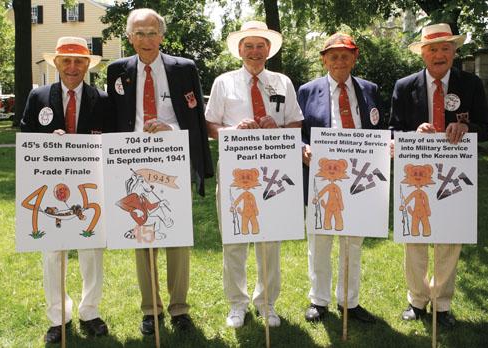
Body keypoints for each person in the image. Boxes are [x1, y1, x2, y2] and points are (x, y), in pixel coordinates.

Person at [106, 8, 213, 334]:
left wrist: (196, 162)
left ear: (162, 36)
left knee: (177, 237)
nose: (146, 39)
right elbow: (113, 119)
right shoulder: (116, 71)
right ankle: (150, 310)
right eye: (139, 33)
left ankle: (179, 308)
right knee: (143, 235)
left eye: (152, 32)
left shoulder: (184, 69)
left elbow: (196, 118)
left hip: (173, 159)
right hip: (134, 163)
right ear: (129, 37)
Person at [389, 23, 488, 328]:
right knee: (416, 237)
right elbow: (393, 130)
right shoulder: (404, 86)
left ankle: (442, 303)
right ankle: (417, 301)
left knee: (450, 238)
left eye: (445, 48)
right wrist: (412, 132)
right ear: (422, 54)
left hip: (454, 176)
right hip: (417, 174)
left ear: (454, 52)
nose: (438, 54)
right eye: (432, 49)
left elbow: (486, 128)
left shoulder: (471, 84)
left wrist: (467, 128)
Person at [205, 20, 303, 328]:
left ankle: (267, 302)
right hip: (236, 170)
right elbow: (210, 127)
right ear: (239, 50)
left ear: (269, 50)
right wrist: (234, 130)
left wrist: (280, 127)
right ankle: (237, 303)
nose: (255, 51)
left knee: (269, 237)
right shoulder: (223, 82)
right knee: (235, 237)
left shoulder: (283, 82)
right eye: (249, 45)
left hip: (273, 169)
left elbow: (296, 125)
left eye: (261, 45)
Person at [21, 36, 109, 343]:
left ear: (88, 65)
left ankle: (91, 311)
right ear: (56, 63)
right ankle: (58, 317)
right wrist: (48, 141)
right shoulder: (39, 97)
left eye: (79, 61)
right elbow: (27, 137)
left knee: (91, 250)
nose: (72, 67)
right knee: (53, 252)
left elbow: (111, 144)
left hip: (89, 188)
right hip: (49, 188)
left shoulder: (102, 99)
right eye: (66, 61)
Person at [298, 33, 382, 324]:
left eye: (345, 55)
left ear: (355, 57)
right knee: (319, 240)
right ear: (324, 60)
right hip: (321, 177)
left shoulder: (370, 89)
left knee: (352, 242)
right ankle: (318, 301)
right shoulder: (307, 91)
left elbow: (381, 129)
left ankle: (350, 301)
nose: (340, 61)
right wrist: (301, 148)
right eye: (333, 56)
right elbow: (296, 132)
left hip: (359, 177)